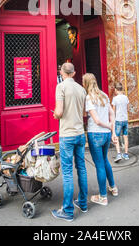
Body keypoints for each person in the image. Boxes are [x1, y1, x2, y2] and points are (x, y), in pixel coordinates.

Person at [51, 63, 88, 222]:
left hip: (67, 135)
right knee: (81, 168)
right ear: (73, 73)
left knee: (67, 173)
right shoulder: (81, 89)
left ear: (61, 72)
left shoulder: (61, 87)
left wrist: (56, 115)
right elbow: (84, 112)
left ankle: (67, 210)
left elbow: (59, 111)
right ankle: (83, 203)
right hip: (80, 133)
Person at [83, 73, 118, 207]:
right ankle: (113, 187)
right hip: (106, 134)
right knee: (105, 161)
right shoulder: (103, 95)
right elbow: (112, 113)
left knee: (99, 165)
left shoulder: (88, 98)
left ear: (85, 84)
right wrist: (112, 130)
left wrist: (108, 125)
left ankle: (103, 197)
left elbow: (96, 120)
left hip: (95, 134)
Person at [112, 82, 129, 162]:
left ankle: (119, 154)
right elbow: (127, 108)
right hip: (125, 119)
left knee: (117, 137)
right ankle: (126, 154)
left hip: (118, 120)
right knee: (125, 137)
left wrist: (112, 121)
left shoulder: (115, 99)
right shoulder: (125, 97)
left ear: (115, 90)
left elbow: (113, 111)